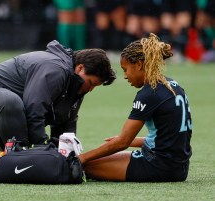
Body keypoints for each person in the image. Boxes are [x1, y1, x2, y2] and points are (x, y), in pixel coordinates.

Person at [0, 40, 116, 180]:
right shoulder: (55, 69)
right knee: (23, 152)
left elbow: (65, 128)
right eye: (91, 83)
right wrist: (43, 151)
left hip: (7, 111)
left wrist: (66, 158)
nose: (90, 89)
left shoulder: (76, 85)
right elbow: (34, 110)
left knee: (8, 164)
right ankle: (21, 154)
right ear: (80, 67)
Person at [78, 33, 192, 182]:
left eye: (125, 69)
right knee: (95, 160)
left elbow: (122, 143)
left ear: (138, 64)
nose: (125, 76)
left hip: (159, 166)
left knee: (87, 166)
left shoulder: (149, 93)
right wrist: (133, 140)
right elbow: (170, 136)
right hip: (179, 166)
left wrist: (82, 158)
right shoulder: (173, 85)